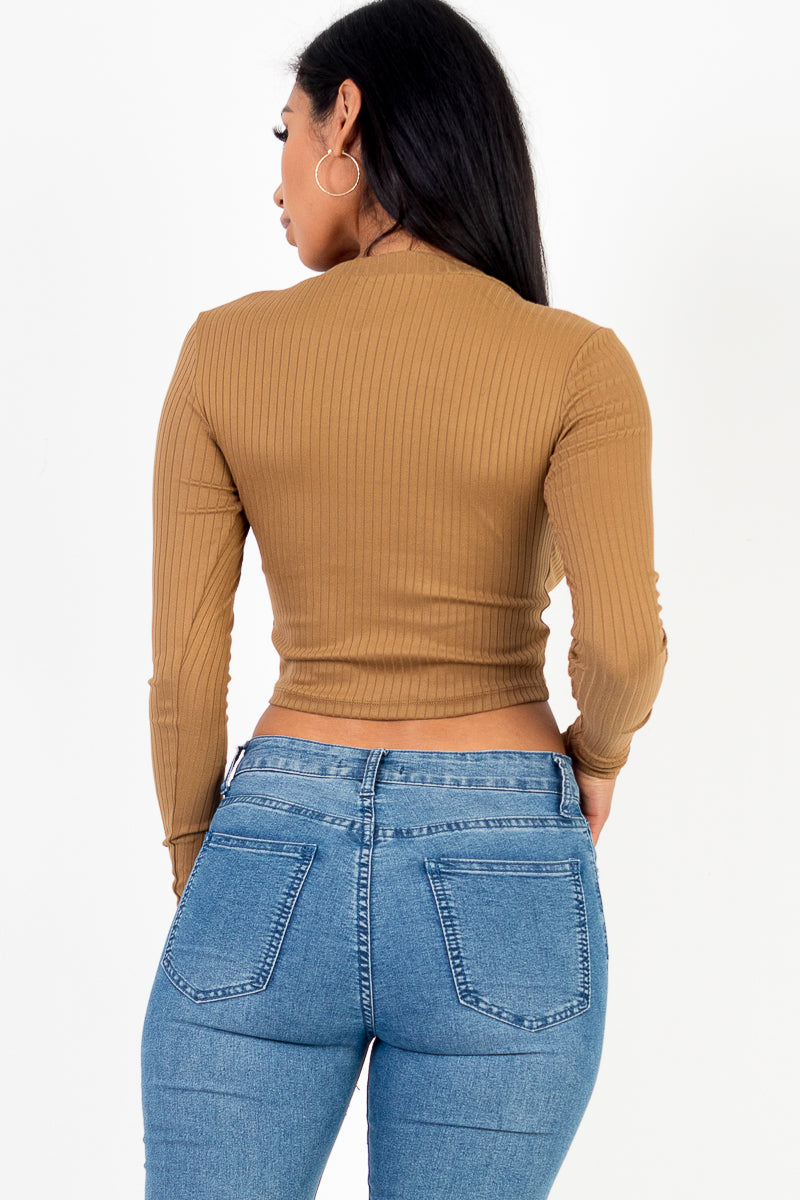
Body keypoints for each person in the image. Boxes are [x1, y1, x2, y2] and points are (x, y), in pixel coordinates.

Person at [140, 1, 668, 1196]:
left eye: (283, 132)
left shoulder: (222, 351)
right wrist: (594, 759)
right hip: (506, 852)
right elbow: (625, 649)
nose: (277, 179)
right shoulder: (576, 362)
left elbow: (184, 671)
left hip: (271, 843)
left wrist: (204, 867)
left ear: (346, 119)